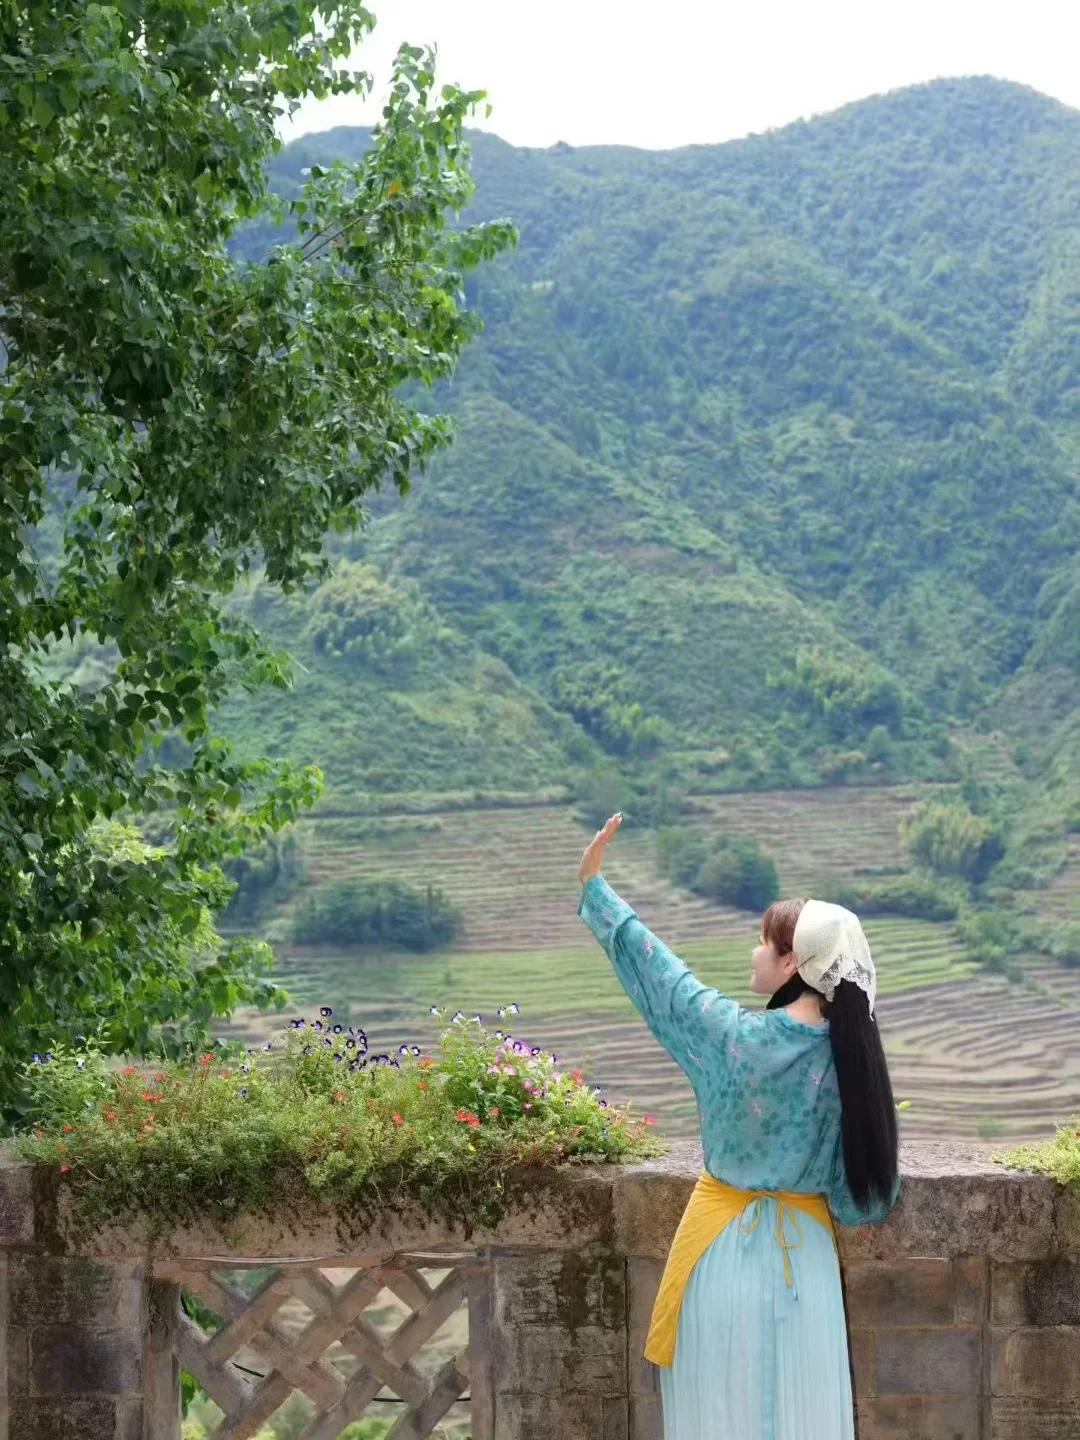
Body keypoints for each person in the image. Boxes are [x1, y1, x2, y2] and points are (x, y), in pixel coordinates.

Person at [578, 812, 901, 1440]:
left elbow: (664, 981)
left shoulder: (734, 1038)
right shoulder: (853, 1066)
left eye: (765, 944)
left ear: (791, 965)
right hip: (803, 1264)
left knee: (716, 1417)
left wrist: (597, 887)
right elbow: (858, 1203)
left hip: (719, 1254)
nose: (753, 953)